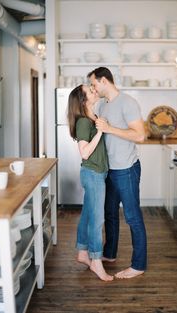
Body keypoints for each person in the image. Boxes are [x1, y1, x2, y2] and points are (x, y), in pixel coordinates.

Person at [87, 67, 147, 279]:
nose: (93, 88)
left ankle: (138, 265)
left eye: (94, 84)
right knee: (110, 214)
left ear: (104, 80)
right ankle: (110, 253)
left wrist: (110, 128)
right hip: (109, 170)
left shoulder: (128, 103)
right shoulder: (102, 104)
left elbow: (140, 136)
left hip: (126, 169)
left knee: (132, 217)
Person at [67, 84, 113, 282]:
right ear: (83, 100)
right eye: (90, 90)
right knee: (97, 220)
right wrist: (101, 132)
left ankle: (82, 252)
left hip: (97, 174)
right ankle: (95, 260)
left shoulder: (93, 117)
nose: (94, 90)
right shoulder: (84, 122)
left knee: (87, 215)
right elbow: (84, 153)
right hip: (92, 174)